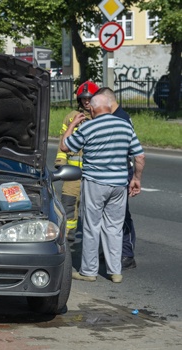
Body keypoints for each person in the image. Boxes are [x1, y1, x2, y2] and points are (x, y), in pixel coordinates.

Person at [60, 93, 145, 284]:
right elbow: (140, 157)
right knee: (114, 228)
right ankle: (115, 272)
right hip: (119, 185)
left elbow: (65, 147)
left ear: (92, 108)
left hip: (95, 183)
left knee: (91, 227)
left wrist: (73, 124)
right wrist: (136, 179)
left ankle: (89, 272)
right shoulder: (124, 125)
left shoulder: (89, 126)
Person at [94, 87, 137, 270]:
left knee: (121, 215)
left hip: (119, 171)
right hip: (114, 170)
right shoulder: (118, 116)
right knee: (108, 214)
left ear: (107, 101)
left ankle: (126, 254)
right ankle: (109, 251)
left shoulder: (120, 118)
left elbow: (132, 149)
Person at [55, 81, 99, 241]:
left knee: (93, 206)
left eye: (89, 98)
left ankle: (94, 237)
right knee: (68, 201)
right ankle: (67, 235)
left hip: (93, 172)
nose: (86, 102)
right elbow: (63, 140)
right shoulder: (71, 117)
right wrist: (60, 161)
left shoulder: (100, 117)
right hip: (73, 173)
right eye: (83, 99)